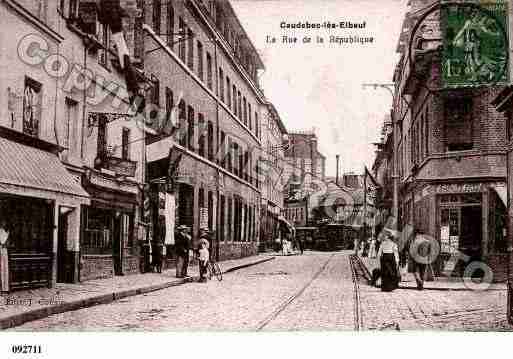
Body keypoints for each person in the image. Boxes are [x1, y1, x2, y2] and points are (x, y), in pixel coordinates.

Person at [0, 219, 10, 293]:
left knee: (4, 268)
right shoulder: (1, 231)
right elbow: (3, 242)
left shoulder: (5, 231)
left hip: (4, 251)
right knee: (2, 268)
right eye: (3, 222)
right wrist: (7, 236)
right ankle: (2, 288)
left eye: (5, 222)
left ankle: (5, 288)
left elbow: (6, 244)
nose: (4, 223)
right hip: (1, 250)